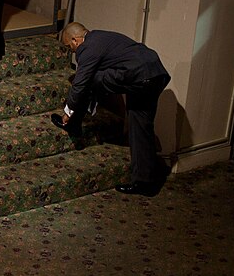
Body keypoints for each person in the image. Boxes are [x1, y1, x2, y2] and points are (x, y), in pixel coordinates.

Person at [53, 22, 172, 197]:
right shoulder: (102, 36)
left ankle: (71, 122)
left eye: (69, 46)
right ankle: (146, 182)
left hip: (138, 76)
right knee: (140, 125)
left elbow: (80, 83)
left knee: (87, 78)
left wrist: (68, 111)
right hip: (156, 74)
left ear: (75, 39)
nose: (71, 50)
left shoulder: (87, 47)